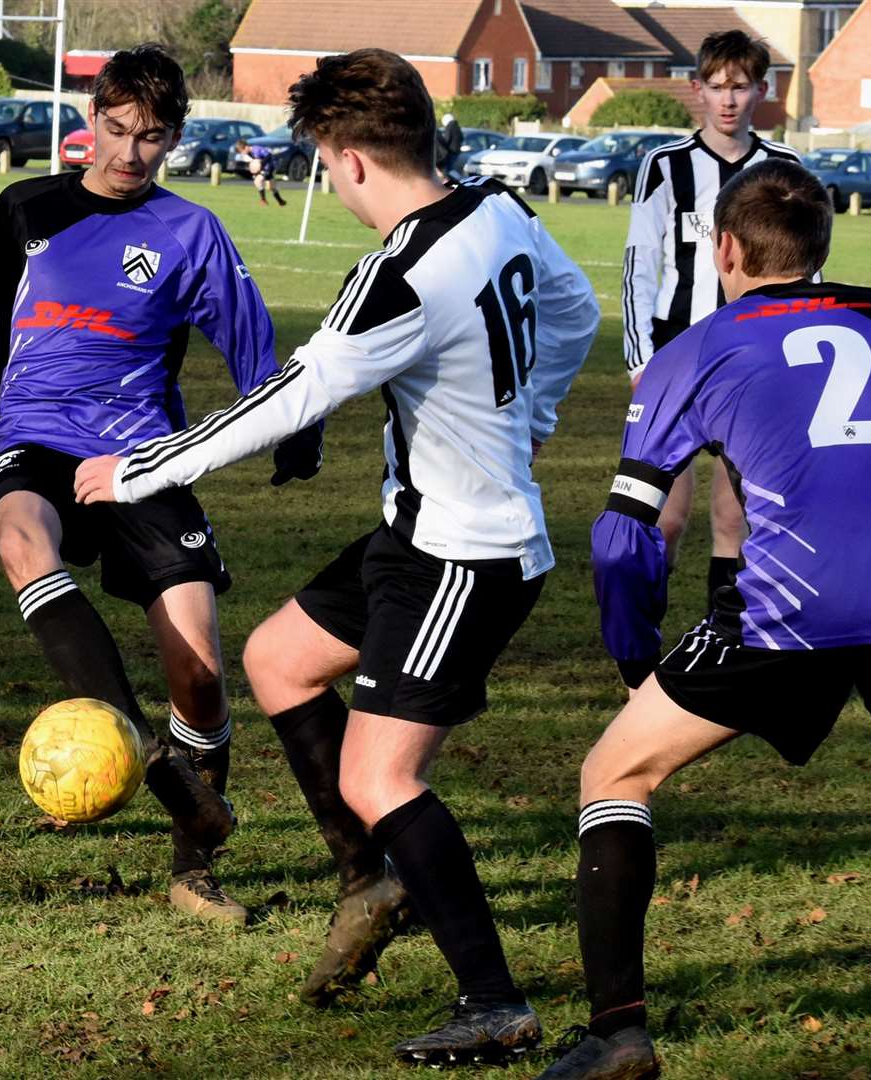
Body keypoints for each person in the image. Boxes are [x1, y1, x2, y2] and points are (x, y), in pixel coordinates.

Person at [75, 48, 599, 1065]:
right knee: (277, 659)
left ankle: (494, 999)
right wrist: (529, 407)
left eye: (323, 163)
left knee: (384, 775)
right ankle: (373, 878)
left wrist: (135, 472)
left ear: (350, 160)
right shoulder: (498, 212)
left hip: (466, 556)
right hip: (418, 535)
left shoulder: (401, 272)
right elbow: (573, 308)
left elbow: (287, 402)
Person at [537, 160, 871, 1080]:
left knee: (614, 772)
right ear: (823, 248)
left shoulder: (695, 350)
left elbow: (624, 534)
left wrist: (635, 655)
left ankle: (618, 1034)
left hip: (793, 604)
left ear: (723, 247)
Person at [0, 44, 323, 926]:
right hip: (33, 438)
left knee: (198, 668)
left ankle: (194, 868)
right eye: (117, 130)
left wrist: (295, 430)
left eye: (151, 138)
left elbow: (250, 342)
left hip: (139, 456)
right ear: (92, 120)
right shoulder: (23, 208)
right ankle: (155, 765)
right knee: (21, 538)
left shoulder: (188, 232)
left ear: (173, 139)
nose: (129, 154)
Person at [621, 30, 803, 619]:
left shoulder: (783, 169)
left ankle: (724, 646)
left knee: (735, 518)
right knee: (665, 519)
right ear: (697, 89)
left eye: (741, 87)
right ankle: (642, 660)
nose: (729, 100)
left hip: (752, 364)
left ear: (762, 91)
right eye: (718, 87)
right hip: (676, 359)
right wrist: (638, 358)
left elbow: (808, 271)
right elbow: (638, 265)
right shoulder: (665, 166)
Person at [235, 137, 286, 205]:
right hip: (263, 169)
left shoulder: (257, 149)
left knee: (268, 185)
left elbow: (269, 155)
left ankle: (274, 200)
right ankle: (272, 200)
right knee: (261, 183)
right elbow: (253, 163)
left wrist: (261, 164)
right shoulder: (249, 154)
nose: (243, 153)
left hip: (269, 167)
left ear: (246, 147)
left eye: (242, 151)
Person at [438, 111, 464, 178]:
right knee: (452, 168)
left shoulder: (450, 126)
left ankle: (450, 182)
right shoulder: (457, 126)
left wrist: (442, 147)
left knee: (448, 169)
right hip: (456, 151)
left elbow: (447, 139)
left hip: (450, 151)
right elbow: (461, 138)